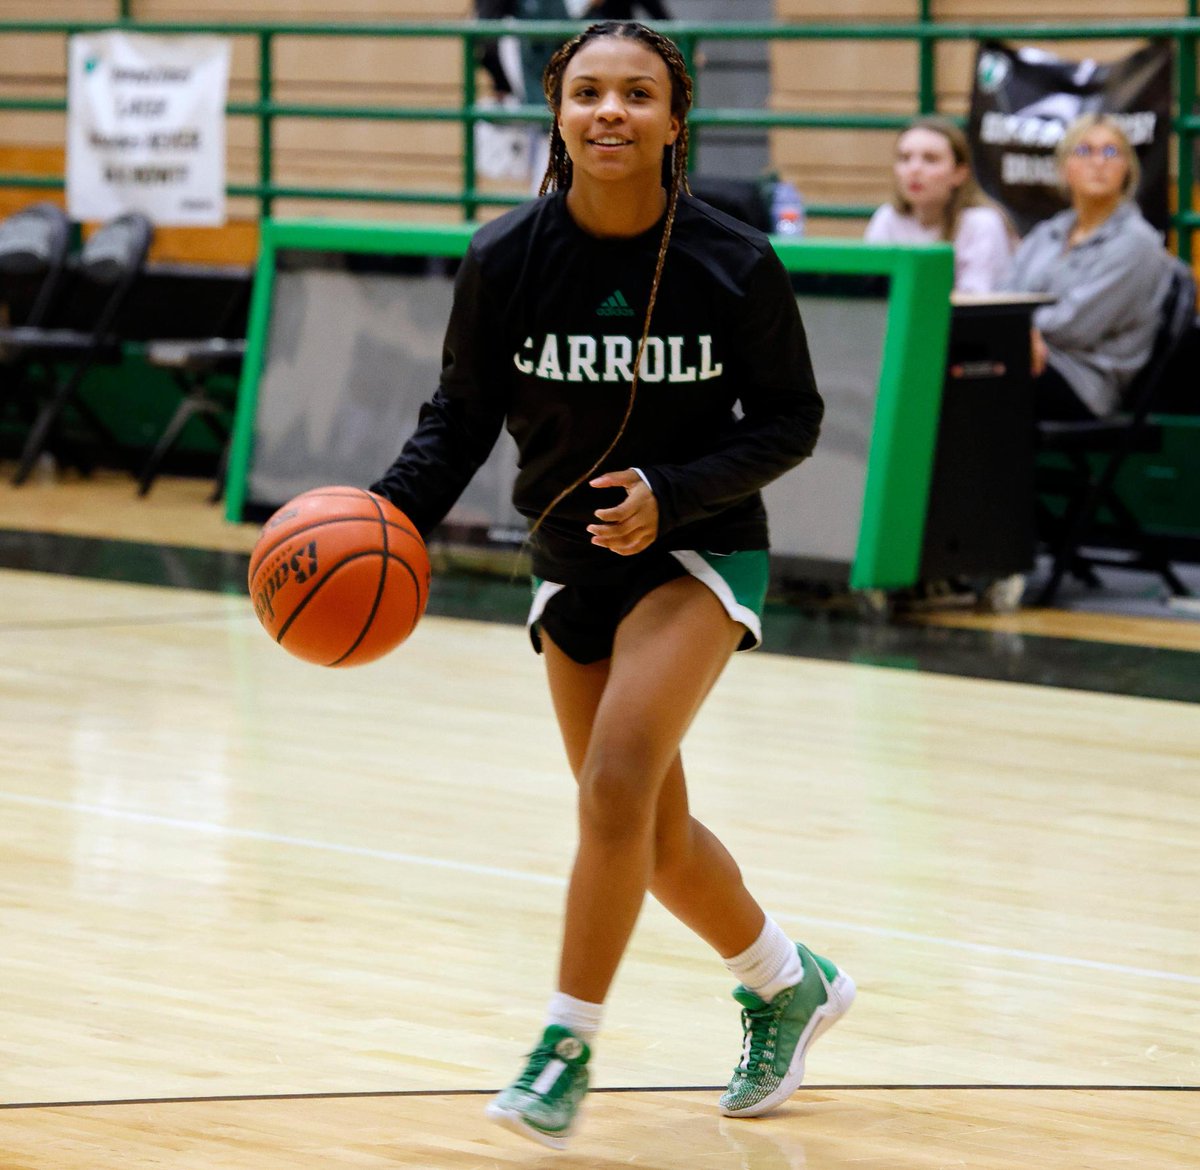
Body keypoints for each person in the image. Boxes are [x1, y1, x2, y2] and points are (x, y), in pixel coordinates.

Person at [369, 19, 851, 1151]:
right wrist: (384, 518)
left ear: (676, 117)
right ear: (557, 111)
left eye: (637, 92)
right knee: (649, 828)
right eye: (589, 91)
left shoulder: (733, 260)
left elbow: (794, 420)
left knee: (617, 776)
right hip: (570, 558)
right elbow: (459, 420)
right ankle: (788, 982)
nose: (610, 112)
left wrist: (673, 495)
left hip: (699, 548)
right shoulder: (503, 261)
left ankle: (564, 1043)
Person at [1003, 112, 1171, 420]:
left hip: (1082, 381)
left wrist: (1016, 333)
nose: (1098, 162)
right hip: (1024, 356)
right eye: (1084, 151)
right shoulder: (1048, 232)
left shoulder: (1137, 242)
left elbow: (1073, 326)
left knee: (976, 378)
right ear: (1065, 167)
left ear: (1127, 169)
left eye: (1110, 152)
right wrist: (1014, 333)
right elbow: (1003, 296)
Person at [865, 116, 1014, 293]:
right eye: (905, 158)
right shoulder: (887, 217)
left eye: (930, 159)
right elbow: (871, 293)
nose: (914, 169)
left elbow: (976, 302)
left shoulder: (982, 223)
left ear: (959, 173)